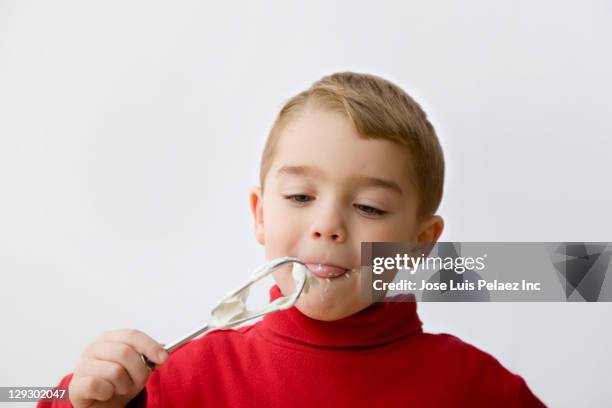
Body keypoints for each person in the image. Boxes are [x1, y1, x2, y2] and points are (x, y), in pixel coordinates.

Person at [40, 72, 546, 407]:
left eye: (368, 207)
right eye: (301, 196)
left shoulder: (478, 390)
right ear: (261, 215)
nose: (328, 225)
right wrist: (76, 398)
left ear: (420, 243)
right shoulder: (180, 380)